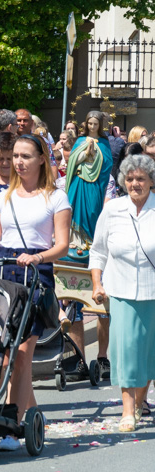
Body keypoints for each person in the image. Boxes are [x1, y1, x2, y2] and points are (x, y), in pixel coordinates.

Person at [0, 134, 71, 450]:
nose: (18, 162)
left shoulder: (56, 198)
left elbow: (63, 245)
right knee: (2, 351)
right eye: (15, 156)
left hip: (35, 275)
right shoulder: (4, 197)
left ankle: (14, 426)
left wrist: (40, 257)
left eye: (26, 156)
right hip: (4, 273)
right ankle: (23, 415)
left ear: (42, 159)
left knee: (23, 355)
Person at [89, 154, 155, 432]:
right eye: (129, 179)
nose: (135, 183)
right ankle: (128, 410)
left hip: (153, 291)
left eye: (140, 178)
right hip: (121, 290)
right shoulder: (113, 209)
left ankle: (139, 401)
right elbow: (98, 251)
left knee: (149, 353)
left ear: (151, 181)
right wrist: (97, 284)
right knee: (127, 351)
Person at [65, 111, 114, 252]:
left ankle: (90, 239)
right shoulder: (80, 140)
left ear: (100, 125)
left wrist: (96, 155)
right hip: (79, 180)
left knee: (92, 210)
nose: (92, 127)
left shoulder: (104, 142)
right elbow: (72, 161)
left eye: (95, 124)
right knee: (73, 208)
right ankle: (74, 240)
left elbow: (108, 163)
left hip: (95, 182)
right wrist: (85, 154)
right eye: (90, 124)